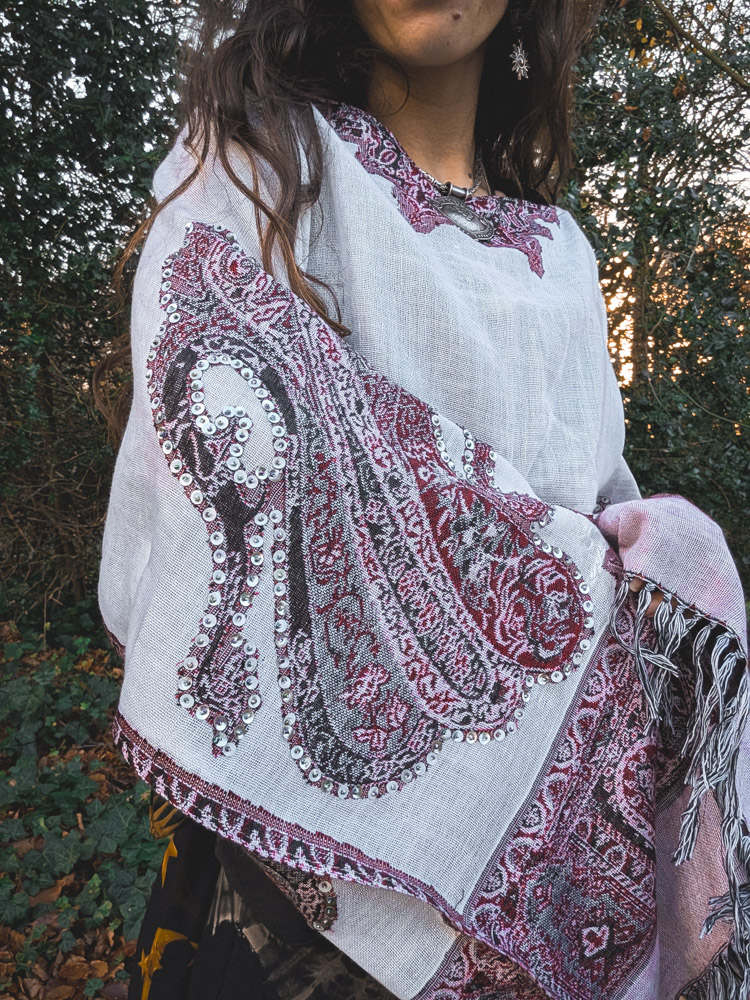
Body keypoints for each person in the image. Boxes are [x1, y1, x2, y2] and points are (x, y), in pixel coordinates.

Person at [96, 0, 750, 997]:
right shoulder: (261, 167)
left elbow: (622, 587)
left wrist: (659, 565)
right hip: (279, 919)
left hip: (526, 949)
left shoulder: (566, 256)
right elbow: (221, 483)